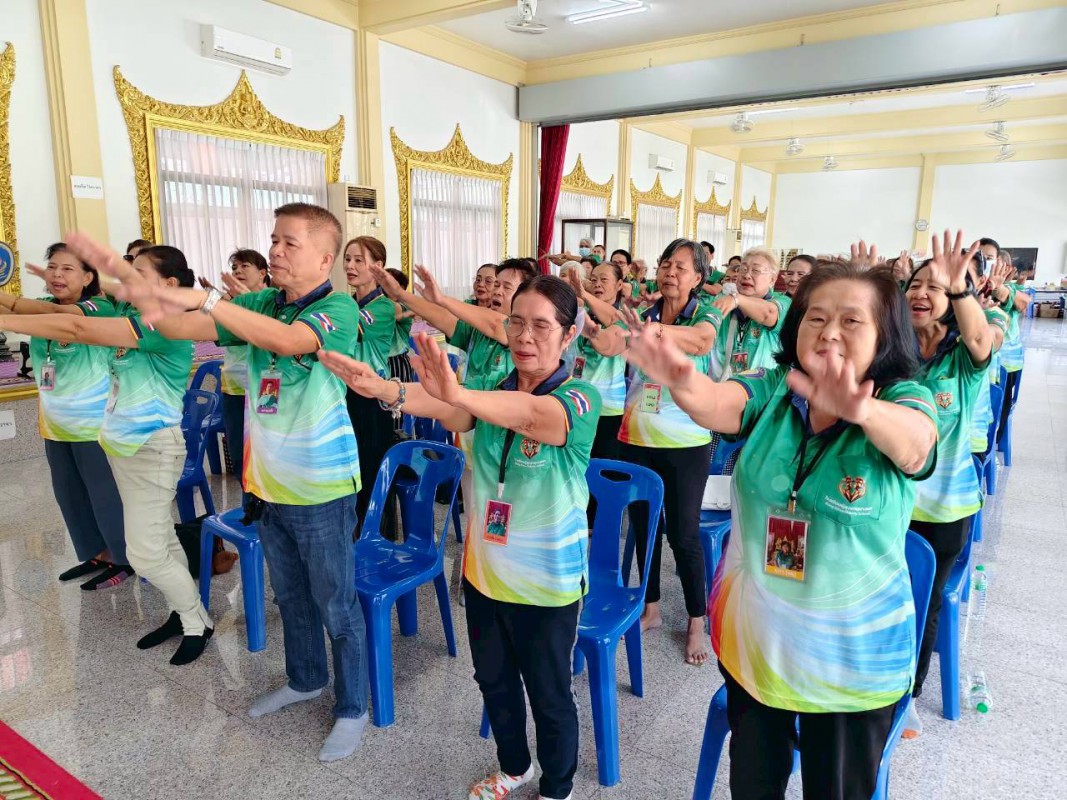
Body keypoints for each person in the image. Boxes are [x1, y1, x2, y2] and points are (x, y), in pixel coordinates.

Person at [623, 258, 938, 800]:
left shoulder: (901, 397)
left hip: (848, 664)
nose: (830, 332)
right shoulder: (776, 387)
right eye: (816, 318)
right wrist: (680, 378)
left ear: (885, 335)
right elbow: (718, 403)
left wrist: (862, 412)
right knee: (753, 785)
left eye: (851, 321)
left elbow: (916, 444)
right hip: (758, 645)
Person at [72, 204, 369, 761]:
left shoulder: (339, 308)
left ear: (324, 258)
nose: (275, 250)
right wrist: (134, 282)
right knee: (290, 595)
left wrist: (210, 300)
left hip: (321, 487)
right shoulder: (263, 301)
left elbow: (289, 342)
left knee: (335, 602)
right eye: (274, 239)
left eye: (289, 243)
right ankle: (306, 679)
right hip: (267, 483)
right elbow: (181, 326)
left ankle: (352, 706)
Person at [319, 276, 600, 800]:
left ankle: (557, 787)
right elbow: (451, 408)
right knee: (492, 679)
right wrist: (384, 389)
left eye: (541, 326)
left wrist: (457, 392)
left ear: (568, 336)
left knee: (549, 692)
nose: (525, 336)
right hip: (485, 570)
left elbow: (534, 416)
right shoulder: (493, 388)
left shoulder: (579, 397)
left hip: (547, 582)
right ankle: (515, 767)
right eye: (516, 323)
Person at [0, 245, 213, 663]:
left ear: (169, 284)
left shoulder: (166, 324)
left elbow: (77, 327)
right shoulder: (131, 313)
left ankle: (196, 620)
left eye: (138, 273)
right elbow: (57, 311)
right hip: (123, 448)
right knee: (161, 537)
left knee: (144, 553)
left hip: (153, 449)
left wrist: (5, 319)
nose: (126, 279)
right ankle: (185, 614)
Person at [903, 232, 998, 738]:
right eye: (915, 285)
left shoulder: (962, 358)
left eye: (933, 287)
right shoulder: (893, 352)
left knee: (925, 600)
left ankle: (908, 695)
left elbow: (982, 340)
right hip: (891, 501)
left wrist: (959, 286)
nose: (921, 293)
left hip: (944, 509)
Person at [372, 259, 535, 536]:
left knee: (509, 525)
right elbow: (442, 318)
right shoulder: (477, 331)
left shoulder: (517, 332)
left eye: (506, 287)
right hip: (474, 434)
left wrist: (442, 298)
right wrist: (400, 294)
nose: (496, 291)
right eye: (495, 284)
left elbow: (498, 324)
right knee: (476, 514)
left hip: (509, 445)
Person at [616, 238, 722, 665]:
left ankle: (697, 620)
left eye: (680, 267)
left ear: (698, 277)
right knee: (644, 525)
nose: (670, 272)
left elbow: (700, 342)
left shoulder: (706, 313)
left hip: (687, 441)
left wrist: (656, 331)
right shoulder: (644, 313)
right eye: (665, 264)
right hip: (637, 435)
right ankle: (652, 607)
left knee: (683, 533)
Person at [0, 244, 129, 589]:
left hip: (93, 425)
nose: (57, 274)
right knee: (70, 494)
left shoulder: (99, 307)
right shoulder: (45, 307)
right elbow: (24, 308)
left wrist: (10, 308)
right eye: (52, 267)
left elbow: (54, 315)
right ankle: (97, 553)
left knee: (105, 494)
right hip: (55, 424)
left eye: (68, 269)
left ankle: (124, 557)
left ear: (88, 277)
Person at [342, 236, 399, 529]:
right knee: (351, 466)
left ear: (378, 266)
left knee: (373, 467)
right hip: (346, 393)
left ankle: (379, 533)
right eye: (347, 259)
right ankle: (354, 530)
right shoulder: (347, 303)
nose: (350, 266)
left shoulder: (384, 307)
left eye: (358, 260)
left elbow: (346, 327)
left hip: (373, 397)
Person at [218, 249, 270, 478]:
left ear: (262, 273)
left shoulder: (272, 302)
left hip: (266, 388)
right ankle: (248, 498)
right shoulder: (231, 303)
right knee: (239, 454)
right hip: (234, 388)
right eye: (234, 268)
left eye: (244, 266)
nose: (237, 271)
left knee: (265, 453)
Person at [710, 247, 790, 381]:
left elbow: (768, 313)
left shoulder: (783, 303)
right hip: (722, 387)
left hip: (764, 390)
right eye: (743, 269)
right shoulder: (723, 302)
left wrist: (736, 299)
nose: (747, 275)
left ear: (772, 279)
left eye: (756, 270)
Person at [984, 241, 1029, 441]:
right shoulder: (973, 286)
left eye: (991, 260)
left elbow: (1022, 301)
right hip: (988, 362)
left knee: (1000, 403)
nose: (987, 265)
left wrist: (998, 288)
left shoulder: (1008, 289)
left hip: (1006, 361)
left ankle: (995, 439)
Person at [385, 267, 416, 384]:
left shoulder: (403, 307)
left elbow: (392, 308)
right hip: (378, 359)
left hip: (396, 360)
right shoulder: (377, 305)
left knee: (401, 394)